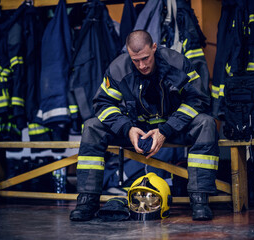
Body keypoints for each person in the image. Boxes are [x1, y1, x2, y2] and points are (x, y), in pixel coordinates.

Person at [69, 30, 219, 221]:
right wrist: (127, 129)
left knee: (206, 123)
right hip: (135, 129)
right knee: (91, 126)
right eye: (135, 60)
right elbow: (102, 103)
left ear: (154, 47)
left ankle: (200, 201)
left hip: (173, 127)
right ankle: (87, 201)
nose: (141, 65)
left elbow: (198, 99)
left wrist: (166, 130)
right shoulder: (118, 69)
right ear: (128, 54)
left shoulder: (177, 63)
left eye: (146, 58)